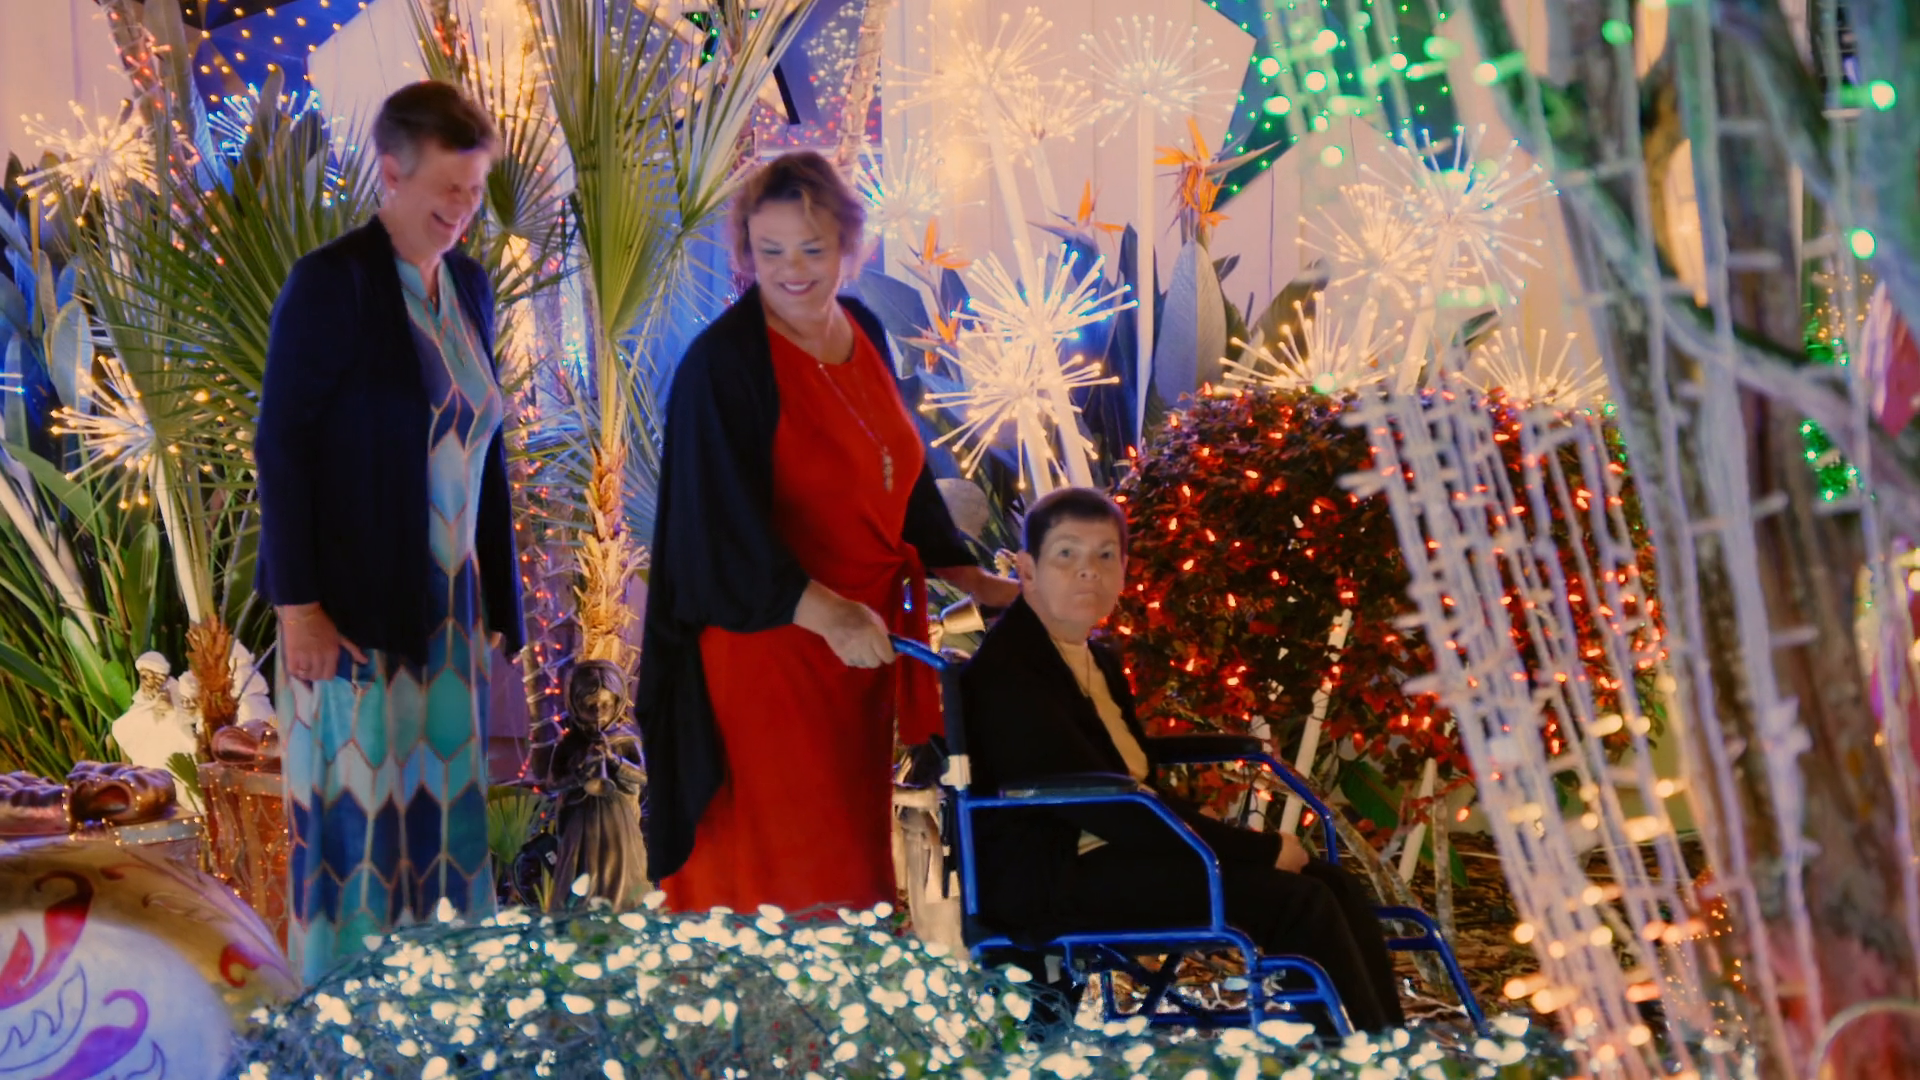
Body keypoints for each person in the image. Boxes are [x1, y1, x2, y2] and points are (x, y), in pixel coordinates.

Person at [638, 150, 1019, 914]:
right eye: (770, 250)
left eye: (811, 249)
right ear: (746, 252)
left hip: (861, 649)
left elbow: (895, 469)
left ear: (848, 244)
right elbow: (712, 533)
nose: (792, 270)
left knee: (853, 866)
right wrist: (828, 613)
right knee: (791, 878)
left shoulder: (864, 326)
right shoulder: (723, 364)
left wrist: (965, 572)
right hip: (773, 653)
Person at [255, 81, 524, 982]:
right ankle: (345, 1029)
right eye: (446, 188)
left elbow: (487, 449)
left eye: (474, 191)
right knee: (360, 839)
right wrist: (298, 607)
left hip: (450, 616)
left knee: (444, 830)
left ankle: (443, 1021)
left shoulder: (471, 286)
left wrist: (501, 609)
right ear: (392, 172)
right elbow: (281, 446)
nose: (462, 208)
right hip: (352, 616)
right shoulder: (331, 283)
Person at [960, 487, 1405, 1032]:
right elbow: (1108, 806)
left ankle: (1386, 1044)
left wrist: (1225, 841)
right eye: (1066, 554)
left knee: (1333, 884)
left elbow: (1129, 779)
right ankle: (1357, 1056)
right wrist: (1256, 849)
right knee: (1296, 900)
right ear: (1028, 570)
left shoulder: (1093, 658)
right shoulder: (1011, 673)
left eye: (1105, 555)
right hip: (1056, 879)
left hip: (1114, 850)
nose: (1087, 571)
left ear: (1123, 571)